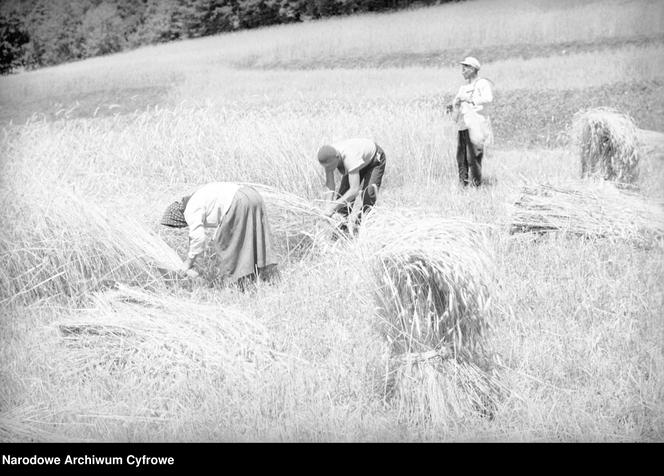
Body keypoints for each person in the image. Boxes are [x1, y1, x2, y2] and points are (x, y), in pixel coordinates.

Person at [160, 182, 277, 286]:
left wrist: (188, 262)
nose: (181, 227)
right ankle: (263, 276)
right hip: (253, 195)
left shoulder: (190, 209)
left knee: (225, 245)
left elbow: (198, 237)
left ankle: (236, 284)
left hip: (238, 201)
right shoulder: (197, 197)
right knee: (254, 239)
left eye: (178, 224)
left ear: (178, 217)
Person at [316, 138, 387, 234]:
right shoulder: (328, 158)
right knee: (343, 197)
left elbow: (354, 190)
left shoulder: (349, 157)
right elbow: (330, 185)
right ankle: (341, 232)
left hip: (374, 160)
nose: (328, 169)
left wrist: (333, 206)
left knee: (369, 194)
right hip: (358, 160)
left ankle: (360, 229)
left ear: (337, 157)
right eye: (326, 167)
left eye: (330, 167)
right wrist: (328, 206)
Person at [447, 56, 493, 186]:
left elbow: (488, 99)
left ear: (473, 69)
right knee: (461, 158)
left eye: (465, 68)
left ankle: (477, 186)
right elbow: (456, 104)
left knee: (473, 157)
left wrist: (470, 100)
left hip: (477, 126)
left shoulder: (482, 84)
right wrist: (451, 106)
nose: (462, 71)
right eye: (462, 69)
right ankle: (463, 186)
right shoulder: (462, 88)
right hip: (463, 127)